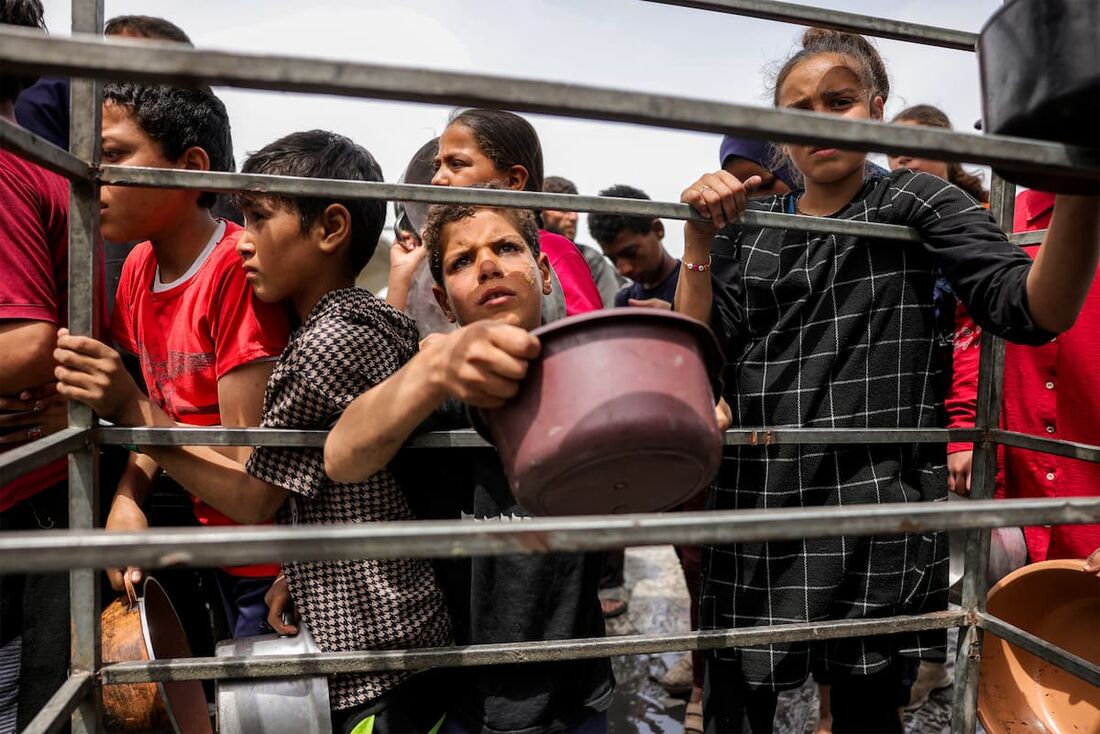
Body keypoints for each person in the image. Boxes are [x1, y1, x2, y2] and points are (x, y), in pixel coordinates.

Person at [674, 27, 1100, 734]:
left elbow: (1031, 308)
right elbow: (699, 350)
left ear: (875, 109)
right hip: (758, 498)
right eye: (798, 107)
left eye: (838, 101)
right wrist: (696, 242)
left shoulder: (913, 203)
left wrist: (1086, 180)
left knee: (870, 710)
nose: (818, 119)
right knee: (734, 708)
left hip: (873, 505)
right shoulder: (752, 229)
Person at [55, 129, 453, 734]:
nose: (241, 241)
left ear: (331, 229)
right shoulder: (363, 318)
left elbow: (254, 496)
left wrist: (133, 409)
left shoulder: (324, 348)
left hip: (373, 653)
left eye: (259, 219)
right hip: (378, 620)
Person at [325, 198, 616, 733]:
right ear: (443, 300)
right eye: (462, 261)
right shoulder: (432, 389)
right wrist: (431, 371)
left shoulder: (588, 379)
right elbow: (342, 459)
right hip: (459, 697)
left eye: (507, 248)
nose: (487, 266)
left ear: (544, 273)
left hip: (576, 688)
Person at [97, 81, 291, 638]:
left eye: (113, 155)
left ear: (190, 168)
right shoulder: (138, 267)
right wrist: (128, 497)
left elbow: (252, 482)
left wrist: (129, 409)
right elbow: (165, 406)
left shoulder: (235, 272)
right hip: (209, 543)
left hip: (267, 564)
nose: (94, 176)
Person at [886, 102, 991, 713]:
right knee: (916, 536)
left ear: (950, 156)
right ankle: (927, 661)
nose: (900, 158)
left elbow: (978, 331)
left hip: (960, 400)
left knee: (957, 545)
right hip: (913, 393)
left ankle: (943, 662)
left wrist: (962, 429)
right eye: (892, 149)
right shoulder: (891, 222)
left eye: (915, 148)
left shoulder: (975, 222)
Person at [430, 108, 603, 317]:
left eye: (456, 164)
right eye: (463, 262)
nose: (437, 179)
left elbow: (587, 337)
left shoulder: (554, 250)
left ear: (513, 181)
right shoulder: (443, 258)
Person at [588, 184, 680, 309]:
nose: (623, 270)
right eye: (613, 259)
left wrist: (677, 317)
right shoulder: (625, 300)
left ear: (658, 230)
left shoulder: (696, 284)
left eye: (631, 253)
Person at [542, 175, 625, 307]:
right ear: (540, 211)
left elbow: (611, 311)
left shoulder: (590, 258)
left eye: (575, 209)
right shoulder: (526, 254)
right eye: (563, 209)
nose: (573, 217)